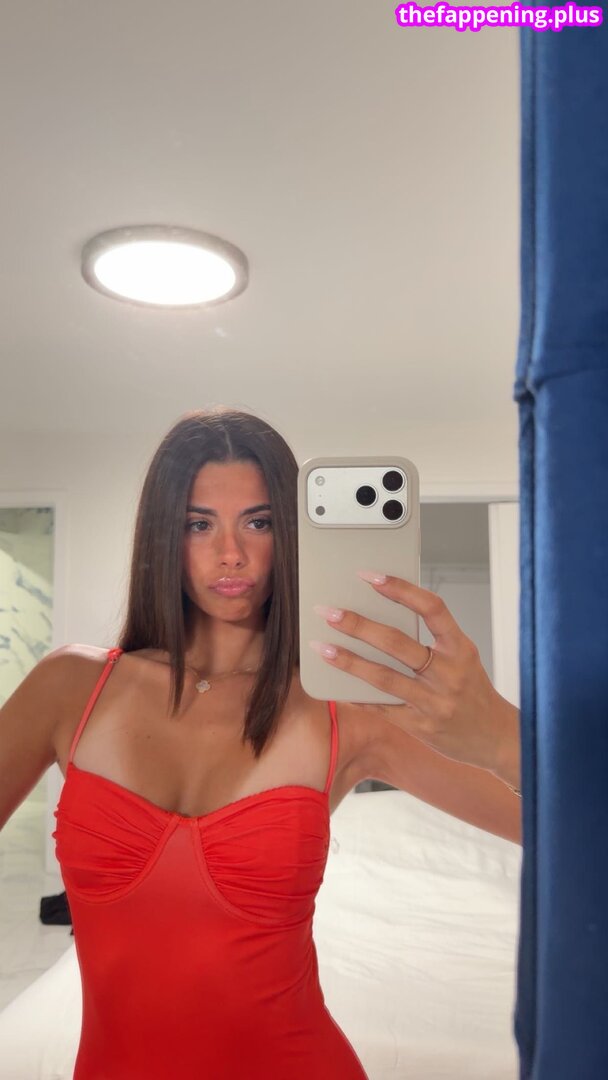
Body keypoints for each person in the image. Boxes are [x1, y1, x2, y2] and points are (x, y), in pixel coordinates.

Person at [0, 408, 521, 1079]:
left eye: (259, 522)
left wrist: (498, 727)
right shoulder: (70, 687)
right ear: (163, 534)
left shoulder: (349, 709)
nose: (231, 554)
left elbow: (569, 825)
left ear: (291, 534)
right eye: (199, 524)